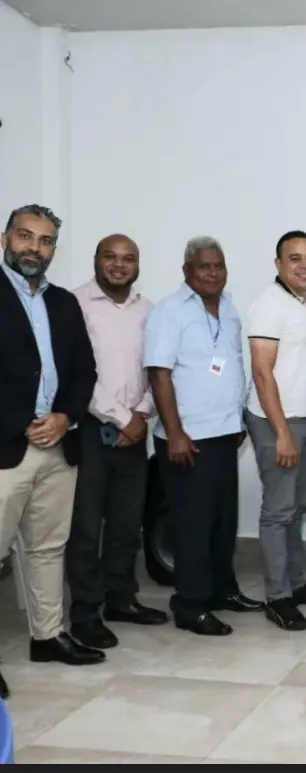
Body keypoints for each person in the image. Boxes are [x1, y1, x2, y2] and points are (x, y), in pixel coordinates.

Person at [0, 205, 103, 698]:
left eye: (44, 241)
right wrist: (22, 423)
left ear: (54, 250)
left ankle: (47, 637)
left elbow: (85, 370)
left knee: (47, 548)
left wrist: (65, 417)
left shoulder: (63, 303)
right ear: (5, 238)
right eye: (25, 236)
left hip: (59, 445)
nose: (33, 248)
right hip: (6, 448)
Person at [145, 236, 264, 637]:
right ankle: (190, 605)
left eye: (218, 265)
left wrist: (238, 419)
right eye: (204, 266)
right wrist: (175, 432)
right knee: (192, 526)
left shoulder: (229, 309)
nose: (213, 273)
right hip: (187, 439)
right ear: (187, 271)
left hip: (224, 433)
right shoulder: (168, 311)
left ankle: (222, 590)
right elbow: (159, 373)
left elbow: (230, 366)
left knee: (222, 522)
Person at [67, 234, 168, 651]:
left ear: (138, 264)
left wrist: (141, 415)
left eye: (128, 258)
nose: (119, 265)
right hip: (92, 431)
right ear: (96, 260)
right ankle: (85, 614)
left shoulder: (149, 310)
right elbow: (78, 373)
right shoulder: (74, 304)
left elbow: (157, 369)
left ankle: (122, 599)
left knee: (128, 523)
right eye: (110, 257)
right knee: (87, 529)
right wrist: (123, 418)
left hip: (135, 431)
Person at [245, 231, 306, 631]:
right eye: (295, 258)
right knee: (278, 512)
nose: (304, 265)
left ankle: (296, 584)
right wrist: (281, 433)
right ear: (278, 264)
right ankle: (278, 597)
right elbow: (262, 374)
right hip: (275, 421)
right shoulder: (268, 305)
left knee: (298, 508)